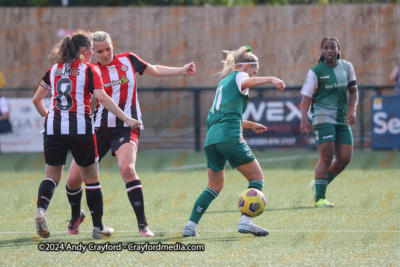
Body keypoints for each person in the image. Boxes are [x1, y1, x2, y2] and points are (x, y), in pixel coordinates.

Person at [65, 31, 196, 237]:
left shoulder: (128, 60)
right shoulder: (88, 70)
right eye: (99, 51)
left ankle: (143, 226)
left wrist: (181, 70)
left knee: (127, 169)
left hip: (127, 126)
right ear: (91, 52)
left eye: (108, 48)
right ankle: (76, 217)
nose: (105, 54)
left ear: (113, 44)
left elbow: (154, 69)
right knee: (73, 180)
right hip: (98, 128)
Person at [32, 30, 141, 239]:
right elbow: (103, 98)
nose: (94, 54)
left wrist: (48, 115)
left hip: (54, 128)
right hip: (80, 128)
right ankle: (98, 227)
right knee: (91, 179)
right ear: (84, 50)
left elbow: (37, 100)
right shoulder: (89, 70)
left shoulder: (53, 70)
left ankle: (41, 210)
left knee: (51, 176)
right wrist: (127, 119)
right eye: (92, 49)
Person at [182, 45, 285, 237]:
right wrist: (271, 78)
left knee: (213, 186)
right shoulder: (240, 76)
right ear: (246, 67)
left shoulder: (224, 82)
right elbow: (246, 82)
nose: (253, 75)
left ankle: (190, 226)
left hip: (212, 139)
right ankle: (246, 222)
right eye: (254, 71)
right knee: (257, 178)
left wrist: (250, 124)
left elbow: (223, 116)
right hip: (229, 136)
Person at [300, 37, 358, 208]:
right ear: (322, 51)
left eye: (332, 47)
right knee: (327, 156)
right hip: (322, 116)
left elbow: (353, 91)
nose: (329, 51)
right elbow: (306, 98)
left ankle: (317, 184)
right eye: (325, 48)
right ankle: (319, 198)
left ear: (338, 49)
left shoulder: (347, 67)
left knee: (344, 159)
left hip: (341, 117)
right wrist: (303, 119)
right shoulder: (316, 71)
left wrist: (352, 109)